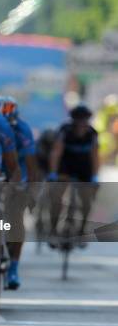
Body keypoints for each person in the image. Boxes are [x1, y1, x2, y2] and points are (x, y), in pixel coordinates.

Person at [0, 95, 39, 289]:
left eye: (10, 125)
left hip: (16, 174)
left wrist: (31, 190)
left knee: (16, 219)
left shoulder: (23, 130)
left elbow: (31, 165)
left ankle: (13, 266)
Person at [47, 104, 99, 243]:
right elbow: (56, 152)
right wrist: (53, 173)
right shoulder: (65, 131)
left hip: (84, 167)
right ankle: (53, 230)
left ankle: (82, 229)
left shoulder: (92, 134)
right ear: (73, 120)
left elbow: (95, 156)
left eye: (85, 120)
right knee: (57, 198)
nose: (82, 124)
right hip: (65, 165)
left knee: (87, 201)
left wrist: (95, 175)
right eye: (78, 120)